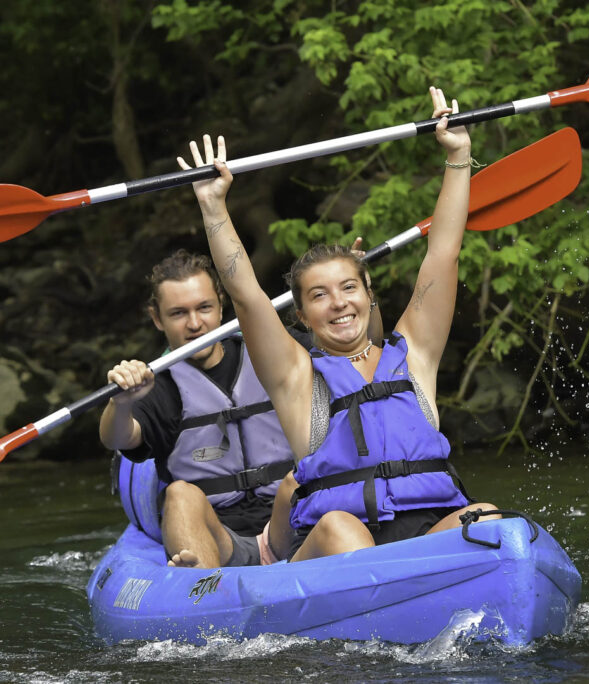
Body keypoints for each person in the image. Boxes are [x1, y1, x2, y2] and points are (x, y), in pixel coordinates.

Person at [178, 86, 498, 563]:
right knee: (341, 528)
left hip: (426, 530)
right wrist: (213, 206)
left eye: (349, 288)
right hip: (338, 547)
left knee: (488, 519)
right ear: (302, 316)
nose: (339, 304)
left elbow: (443, 252)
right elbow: (245, 293)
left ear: (369, 295)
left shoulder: (415, 353)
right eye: (319, 295)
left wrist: (458, 155)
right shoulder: (296, 377)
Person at [100, 248, 380, 568]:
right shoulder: (157, 384)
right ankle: (204, 591)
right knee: (179, 494)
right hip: (219, 537)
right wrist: (120, 404)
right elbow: (119, 438)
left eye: (204, 308)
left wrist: (353, 284)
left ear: (221, 305)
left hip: (290, 525)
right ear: (157, 318)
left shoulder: (273, 352)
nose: (195, 324)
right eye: (178, 313)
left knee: (302, 476)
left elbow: (353, 348)